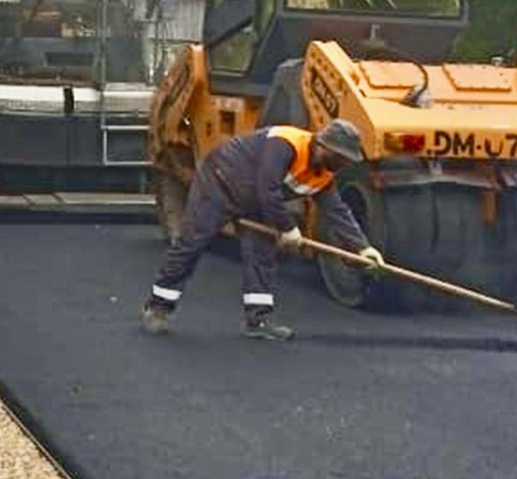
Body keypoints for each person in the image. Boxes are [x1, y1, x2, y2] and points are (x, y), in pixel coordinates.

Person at [141, 120, 385, 341]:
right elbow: (267, 188)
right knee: (192, 243)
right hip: (219, 183)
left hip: (254, 201)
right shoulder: (285, 143)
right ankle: (158, 306)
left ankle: (258, 320)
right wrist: (288, 227)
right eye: (341, 157)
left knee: (262, 254)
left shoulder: (322, 175)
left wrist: (363, 247)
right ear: (324, 146)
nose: (342, 164)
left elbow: (337, 211)